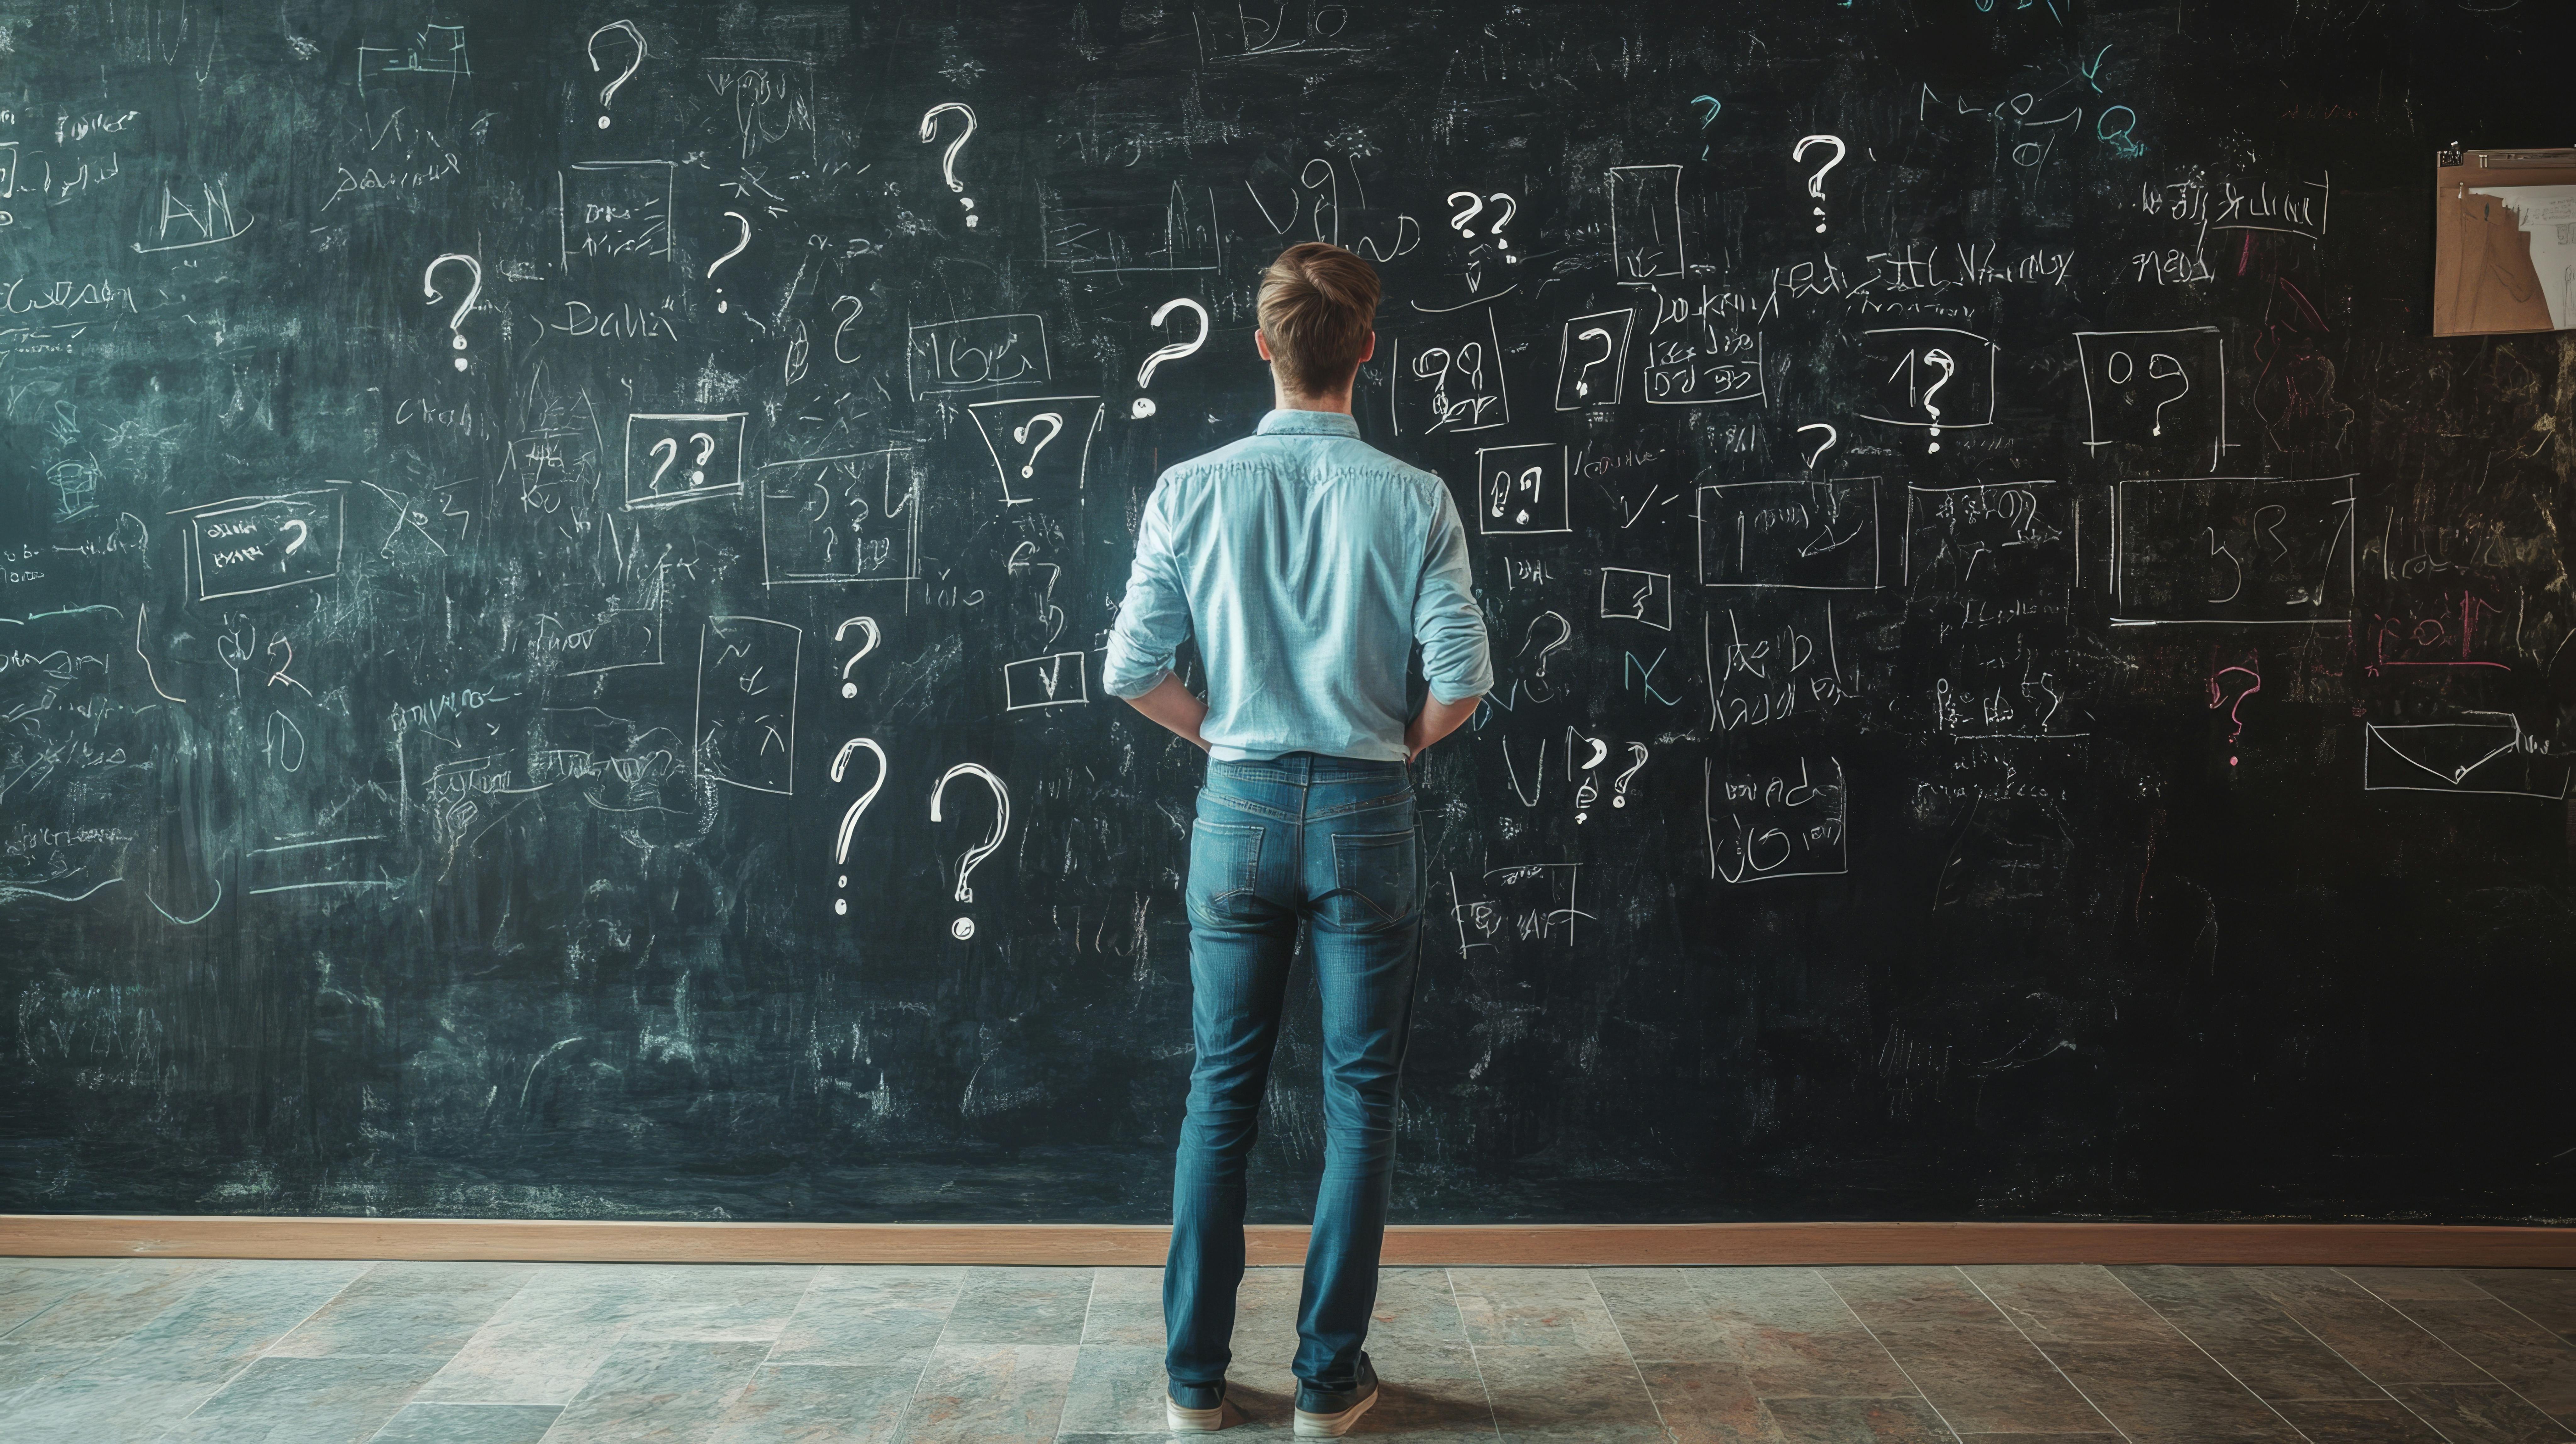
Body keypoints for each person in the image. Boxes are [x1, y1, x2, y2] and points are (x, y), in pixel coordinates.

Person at [1102, 241, 1492, 1437]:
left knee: (1222, 1091)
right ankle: (1330, 1386)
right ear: (1368, 348)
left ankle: (1194, 1387)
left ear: (1265, 344)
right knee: (1359, 1097)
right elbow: (1464, 682)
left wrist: (1221, 733)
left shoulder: (1190, 487)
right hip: (1370, 814)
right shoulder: (1415, 497)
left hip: (1244, 810)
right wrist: (1404, 744)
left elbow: (1129, 672)